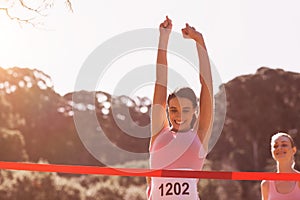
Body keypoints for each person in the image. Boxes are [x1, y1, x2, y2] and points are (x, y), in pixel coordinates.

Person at [147, 16, 213, 200]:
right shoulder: (159, 133)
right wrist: (164, 38)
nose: (179, 116)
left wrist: (199, 42)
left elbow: (206, 86)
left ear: (195, 112)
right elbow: (160, 83)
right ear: (167, 110)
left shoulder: (199, 136)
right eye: (173, 110)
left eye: (185, 110)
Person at [261, 132, 300, 200]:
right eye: (275, 146)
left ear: (293, 150)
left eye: (284, 145)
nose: (279, 148)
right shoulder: (266, 184)